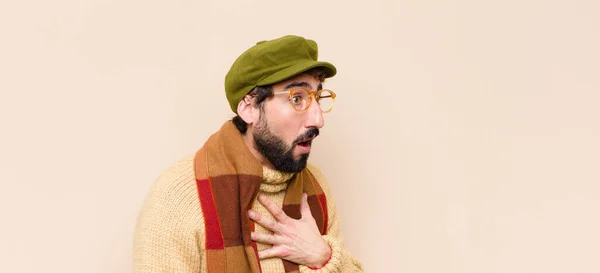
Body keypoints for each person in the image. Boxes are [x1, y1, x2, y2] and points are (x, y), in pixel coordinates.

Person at [133, 35, 363, 273]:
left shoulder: (316, 185)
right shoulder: (180, 195)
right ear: (249, 108)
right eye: (297, 98)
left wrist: (322, 257)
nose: (318, 119)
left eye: (317, 98)